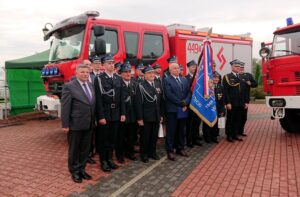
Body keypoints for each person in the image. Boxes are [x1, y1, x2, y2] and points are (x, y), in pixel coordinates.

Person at [61, 64, 96, 183]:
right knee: (74, 150)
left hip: (89, 124)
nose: (85, 74)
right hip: (75, 124)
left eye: (87, 72)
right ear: (76, 74)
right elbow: (65, 107)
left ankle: (82, 169)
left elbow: (92, 105)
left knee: (85, 149)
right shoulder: (69, 87)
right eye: (82, 72)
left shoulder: (90, 85)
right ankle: (74, 171)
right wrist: (65, 125)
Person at [94, 54, 125, 172]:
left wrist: (123, 113)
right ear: (103, 65)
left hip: (116, 113)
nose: (111, 65)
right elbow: (98, 99)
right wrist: (100, 116)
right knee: (104, 140)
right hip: (105, 113)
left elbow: (121, 98)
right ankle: (103, 161)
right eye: (108, 63)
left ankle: (110, 159)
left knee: (113, 139)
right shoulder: (99, 79)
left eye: (112, 63)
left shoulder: (118, 78)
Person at [163, 57, 191, 161]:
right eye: (174, 68)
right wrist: (182, 103)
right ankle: (170, 151)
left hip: (183, 109)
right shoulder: (166, 80)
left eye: (178, 68)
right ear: (170, 70)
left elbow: (189, 93)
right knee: (171, 131)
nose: (177, 69)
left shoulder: (184, 79)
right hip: (173, 110)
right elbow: (169, 94)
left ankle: (181, 148)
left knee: (181, 130)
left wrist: (185, 103)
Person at [136, 65, 164, 163]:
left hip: (156, 115)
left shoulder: (157, 84)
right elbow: (138, 104)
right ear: (145, 75)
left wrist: (161, 115)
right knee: (145, 137)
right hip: (146, 116)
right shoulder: (141, 86)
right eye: (149, 73)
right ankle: (144, 154)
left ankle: (152, 152)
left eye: (152, 72)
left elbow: (160, 102)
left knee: (154, 136)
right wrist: (140, 118)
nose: (152, 74)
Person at [116, 62, 138, 163]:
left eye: (129, 72)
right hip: (122, 115)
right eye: (125, 72)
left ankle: (130, 152)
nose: (128, 74)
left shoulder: (134, 83)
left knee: (131, 136)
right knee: (120, 136)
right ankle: (119, 155)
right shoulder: (118, 84)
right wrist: (122, 113)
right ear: (121, 73)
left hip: (133, 115)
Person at [223, 59, 249, 143]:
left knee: (238, 119)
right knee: (230, 119)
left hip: (241, 102)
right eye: (236, 66)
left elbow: (245, 91)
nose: (238, 68)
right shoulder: (227, 77)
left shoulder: (242, 77)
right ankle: (229, 135)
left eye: (239, 66)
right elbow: (225, 91)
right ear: (232, 67)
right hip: (232, 103)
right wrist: (227, 102)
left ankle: (235, 134)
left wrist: (246, 102)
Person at [202, 71, 225, 143]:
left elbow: (222, 99)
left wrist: (222, 109)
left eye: (218, 78)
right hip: (208, 108)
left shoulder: (220, 87)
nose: (216, 79)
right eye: (215, 77)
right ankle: (207, 137)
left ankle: (214, 137)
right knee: (207, 123)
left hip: (217, 108)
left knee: (215, 124)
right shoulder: (208, 87)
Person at [185, 60, 202, 148]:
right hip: (190, 104)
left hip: (198, 104)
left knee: (197, 123)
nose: (194, 68)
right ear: (188, 68)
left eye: (195, 67)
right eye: (192, 67)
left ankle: (196, 139)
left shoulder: (199, 78)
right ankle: (189, 140)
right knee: (190, 124)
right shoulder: (185, 78)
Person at [239, 62, 257, 136]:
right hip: (236, 100)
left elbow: (255, 84)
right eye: (240, 68)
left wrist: (251, 83)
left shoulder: (248, 75)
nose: (241, 69)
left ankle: (241, 131)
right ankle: (235, 131)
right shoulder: (236, 76)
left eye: (242, 68)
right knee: (237, 117)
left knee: (244, 117)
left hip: (245, 100)